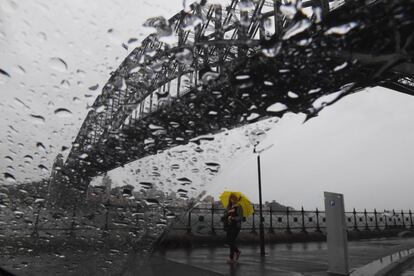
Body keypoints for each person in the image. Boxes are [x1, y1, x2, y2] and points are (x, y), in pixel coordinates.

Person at [224, 193, 243, 264]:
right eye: (231, 199)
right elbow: (225, 215)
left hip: (235, 226)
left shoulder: (239, 207)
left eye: (234, 199)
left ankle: (231, 257)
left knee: (231, 241)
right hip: (229, 226)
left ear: (237, 199)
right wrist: (227, 213)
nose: (233, 200)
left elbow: (240, 217)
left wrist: (233, 218)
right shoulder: (229, 207)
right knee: (229, 241)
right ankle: (237, 252)